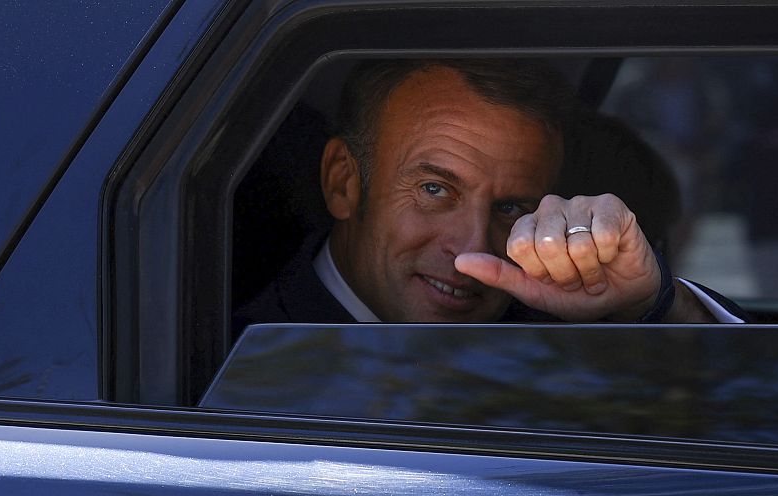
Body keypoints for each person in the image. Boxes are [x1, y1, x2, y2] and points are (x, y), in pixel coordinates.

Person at [234, 58, 744, 339]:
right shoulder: (225, 365)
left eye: (510, 208)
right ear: (344, 182)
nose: (471, 250)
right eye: (435, 190)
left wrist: (655, 304)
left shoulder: (561, 331)